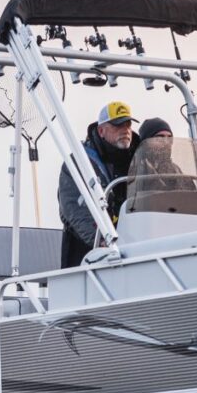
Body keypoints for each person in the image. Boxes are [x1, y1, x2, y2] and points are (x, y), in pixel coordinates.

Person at [57, 101, 136, 268]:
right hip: (90, 256)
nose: (125, 130)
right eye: (118, 125)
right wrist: (101, 241)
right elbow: (74, 208)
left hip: (133, 249)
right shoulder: (79, 163)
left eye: (128, 124)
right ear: (101, 131)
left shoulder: (139, 158)